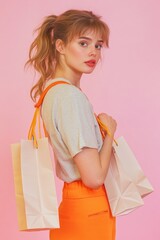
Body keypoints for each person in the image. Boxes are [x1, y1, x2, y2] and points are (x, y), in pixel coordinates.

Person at [26, 9, 117, 240]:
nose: (93, 53)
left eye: (98, 45)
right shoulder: (69, 97)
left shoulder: (52, 91)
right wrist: (110, 134)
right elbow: (94, 178)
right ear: (60, 46)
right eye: (83, 43)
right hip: (90, 211)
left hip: (74, 207)